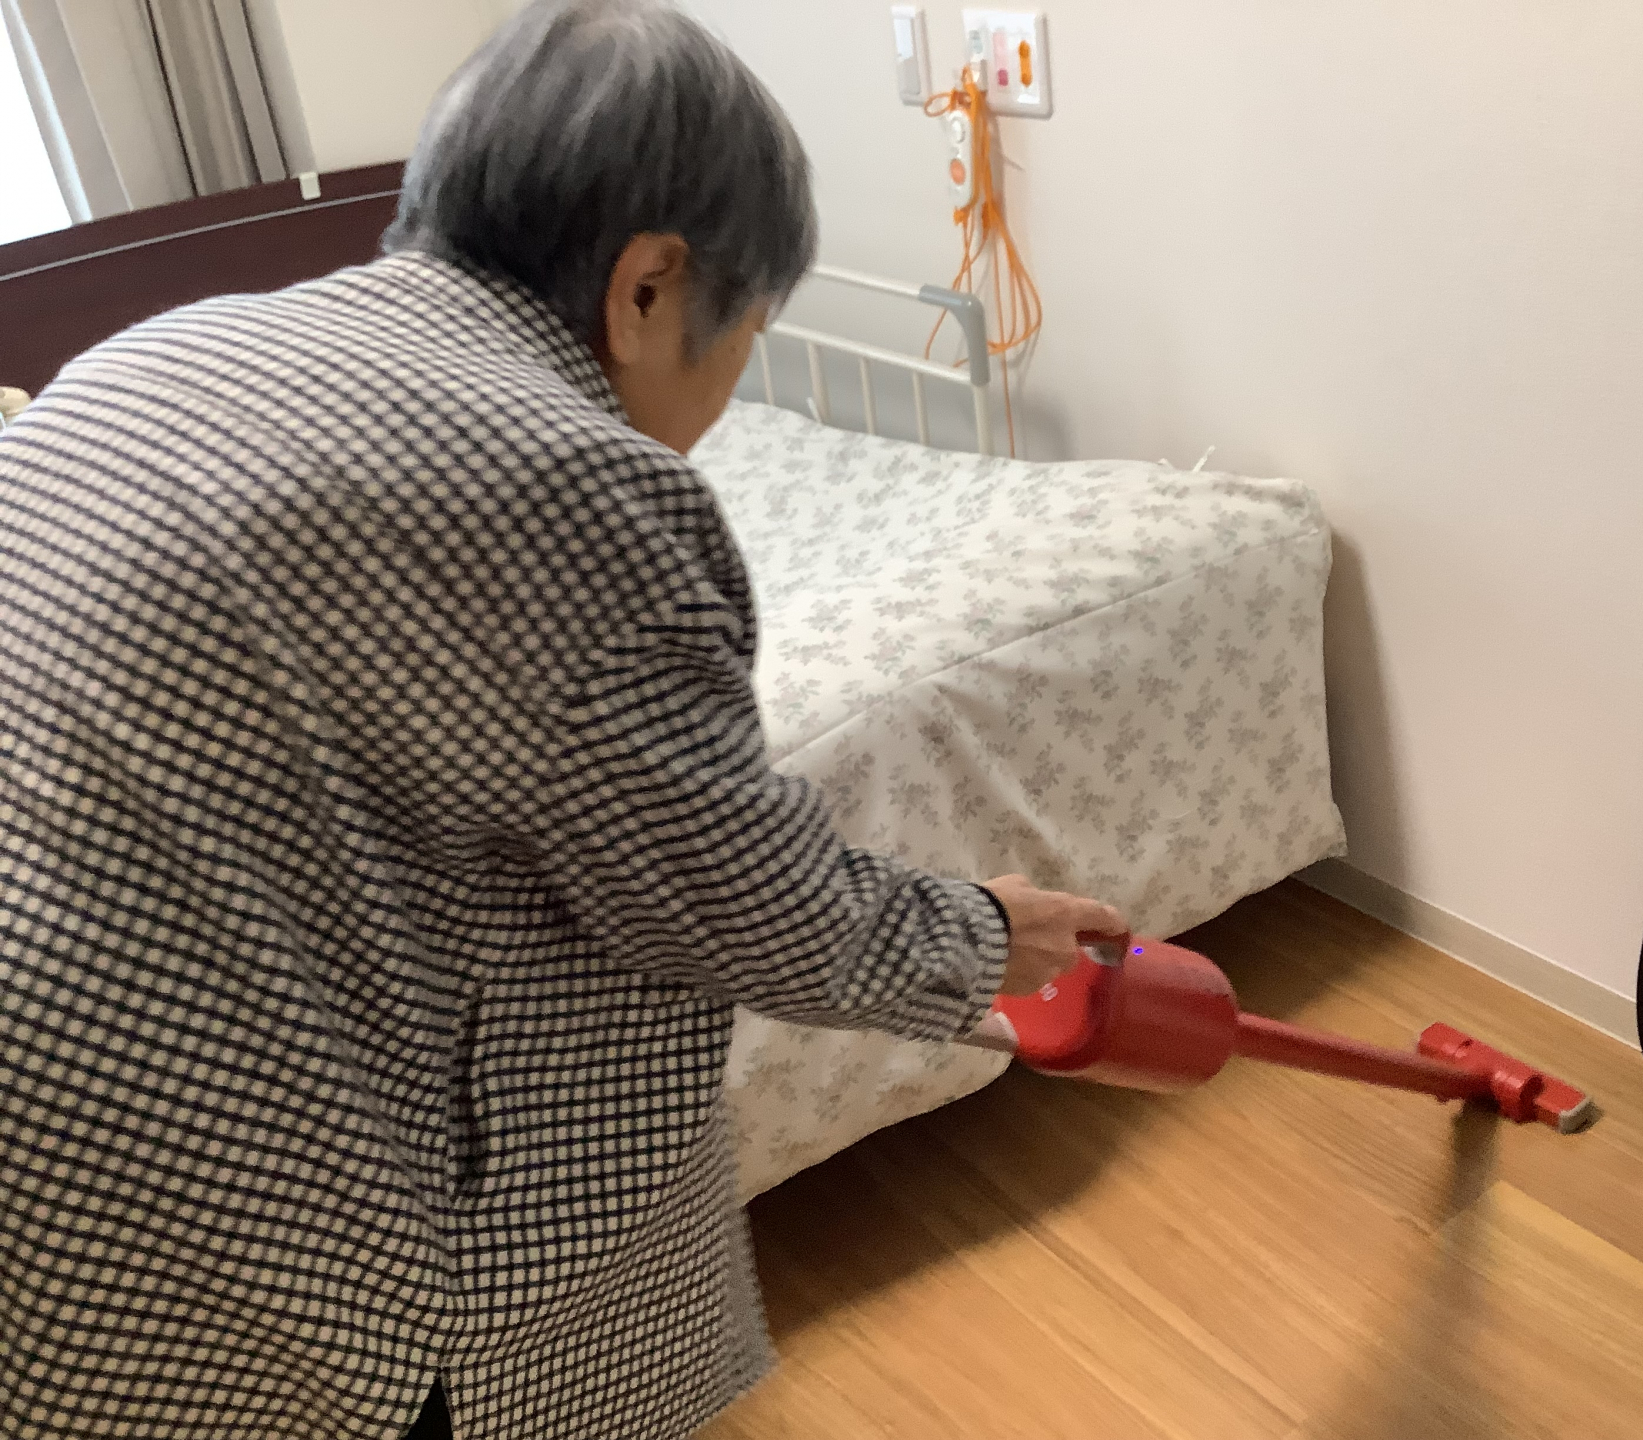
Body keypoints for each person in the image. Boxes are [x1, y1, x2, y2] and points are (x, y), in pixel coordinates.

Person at [0, 3, 1123, 1436]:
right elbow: (734, 900)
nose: (724, 399)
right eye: (748, 336)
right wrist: (979, 933)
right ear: (649, 286)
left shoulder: (162, 354)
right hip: (222, 1207)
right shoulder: (572, 484)